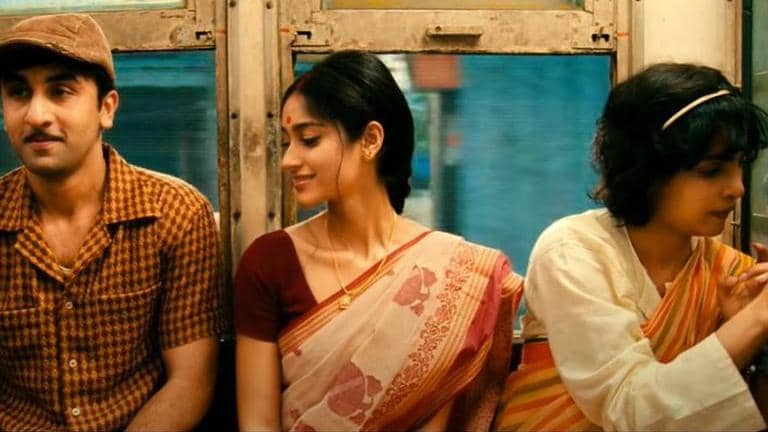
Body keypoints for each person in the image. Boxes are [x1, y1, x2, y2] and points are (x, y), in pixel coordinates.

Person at [234, 50, 524, 431]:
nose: (288, 159)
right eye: (287, 142)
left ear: (370, 139)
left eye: (309, 139)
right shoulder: (270, 261)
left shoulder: (456, 276)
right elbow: (257, 424)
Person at [494, 63, 768, 431]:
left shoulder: (730, 276)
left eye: (739, 166)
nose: (737, 188)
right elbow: (629, 407)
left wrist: (747, 333)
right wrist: (756, 320)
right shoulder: (573, 251)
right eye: (711, 170)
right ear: (647, 169)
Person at [0, 13, 223, 431]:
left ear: (106, 108)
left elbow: (190, 381)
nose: (36, 115)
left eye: (60, 91)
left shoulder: (175, 213)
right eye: (18, 93)